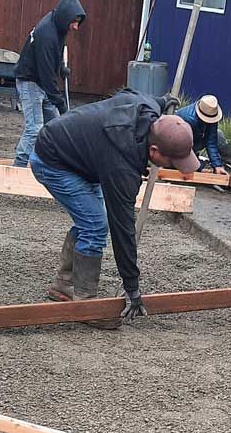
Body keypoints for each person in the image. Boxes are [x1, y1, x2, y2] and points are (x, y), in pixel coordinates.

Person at [30, 90, 199, 327]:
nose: (175, 167)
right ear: (154, 151)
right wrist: (132, 286)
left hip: (83, 155)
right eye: (172, 162)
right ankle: (85, 305)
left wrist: (164, 101)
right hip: (54, 160)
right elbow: (123, 229)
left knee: (90, 220)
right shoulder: (122, 166)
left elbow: (134, 94)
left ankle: (64, 285)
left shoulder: (148, 108)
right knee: (95, 226)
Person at [12, 0, 86, 167]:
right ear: (66, 17)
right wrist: (60, 103)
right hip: (30, 82)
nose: (76, 27)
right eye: (74, 22)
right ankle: (18, 167)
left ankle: (49, 165)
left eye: (78, 22)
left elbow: (56, 52)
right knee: (35, 128)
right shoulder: (46, 33)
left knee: (55, 126)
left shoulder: (59, 25)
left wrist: (61, 67)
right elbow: (46, 74)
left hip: (42, 83)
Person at [176, 94, 226, 172]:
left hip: (194, 141)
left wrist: (217, 165)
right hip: (178, 146)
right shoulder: (188, 119)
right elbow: (184, 146)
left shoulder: (211, 113)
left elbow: (211, 141)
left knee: (219, 134)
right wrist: (199, 167)